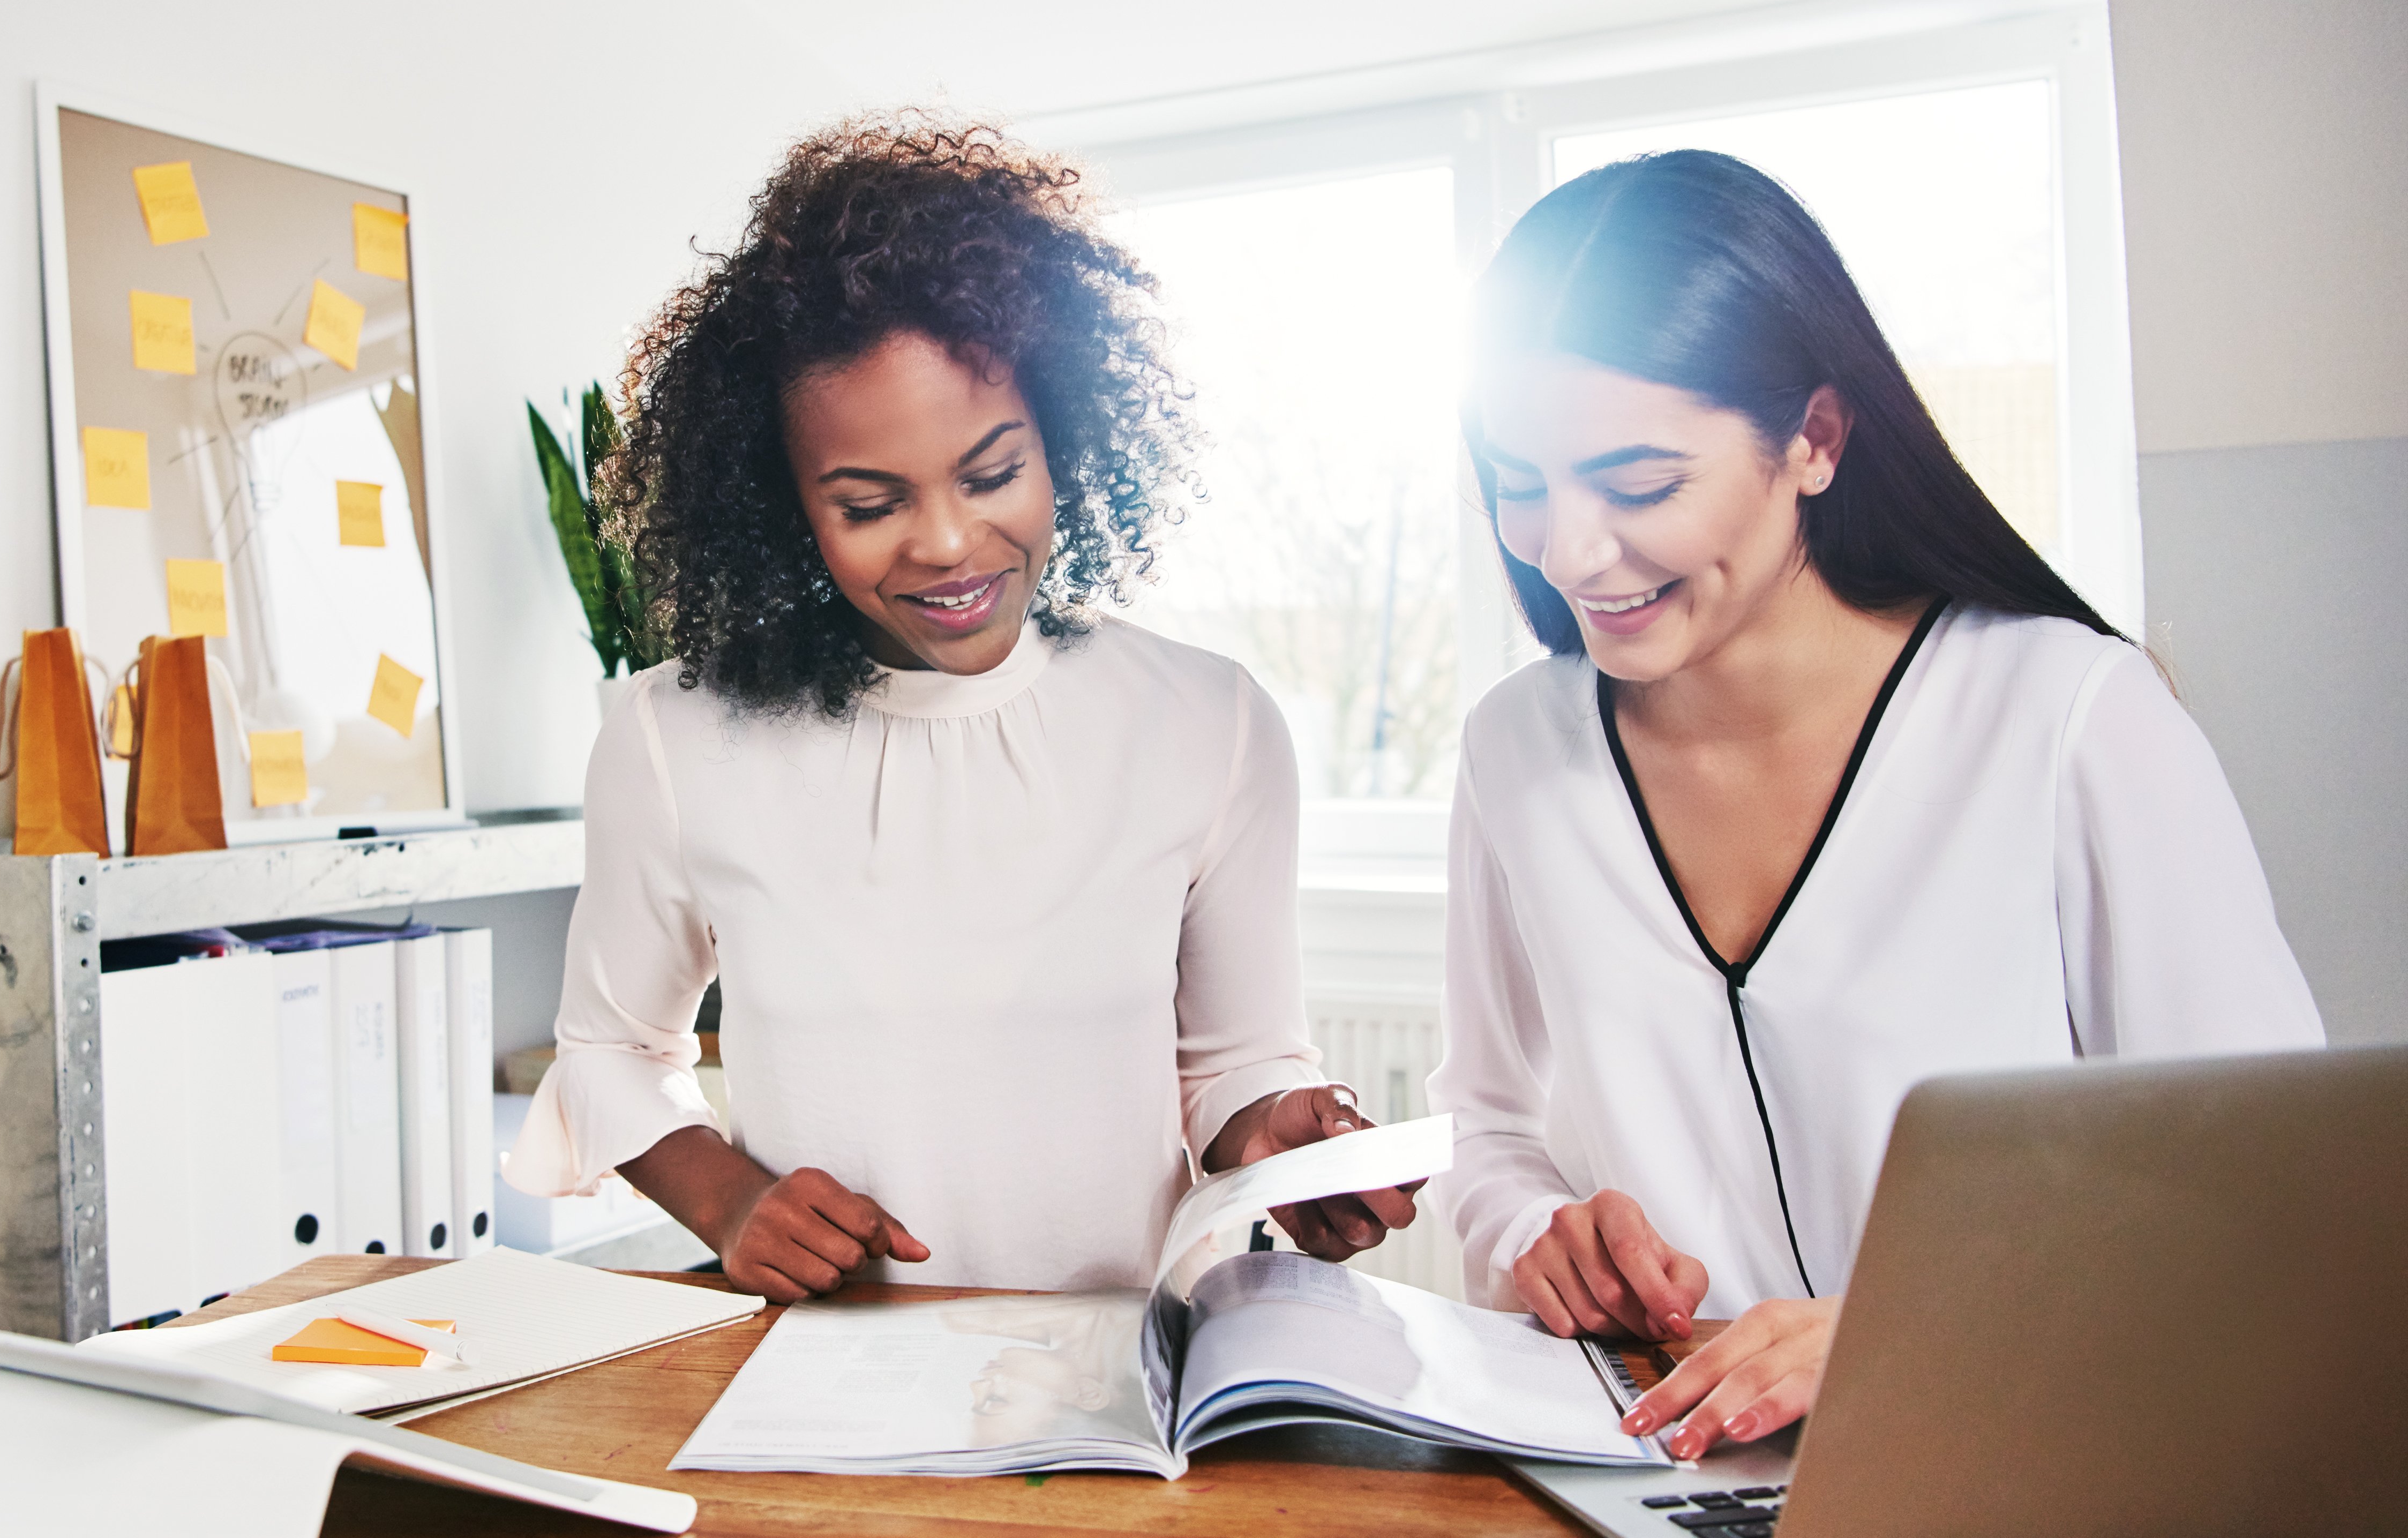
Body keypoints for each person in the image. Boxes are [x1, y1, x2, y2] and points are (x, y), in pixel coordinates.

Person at [1426, 149, 2323, 1461]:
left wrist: (1905, 1327)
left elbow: (2272, 1196)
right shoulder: (1514, 753)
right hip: (1666, 1494)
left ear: (1815, 439)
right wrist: (1527, 1229)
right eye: (1519, 480)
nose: (1564, 552)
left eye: (1635, 486)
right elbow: (1482, 1125)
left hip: (2028, 1472)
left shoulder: (2068, 715)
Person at [504, 117, 1416, 1301]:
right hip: (836, 1374)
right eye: (868, 501)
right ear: (783, 504)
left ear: (1065, 438)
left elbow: (1232, 1065)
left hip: (1131, 1377)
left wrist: (1282, 1143)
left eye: (991, 473)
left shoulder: (1208, 722)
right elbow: (609, 1049)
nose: (945, 543)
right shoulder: (673, 738)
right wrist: (732, 1205)